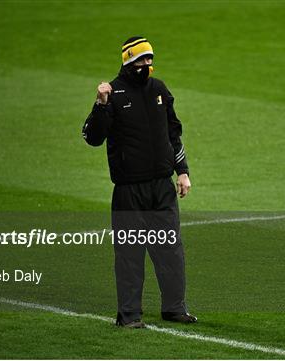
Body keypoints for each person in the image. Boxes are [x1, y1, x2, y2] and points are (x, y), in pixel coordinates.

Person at [82, 36, 197, 328]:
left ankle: (174, 307)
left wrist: (182, 171)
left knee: (170, 249)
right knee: (130, 254)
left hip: (161, 187)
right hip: (129, 190)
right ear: (128, 62)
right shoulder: (114, 93)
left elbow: (174, 135)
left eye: (149, 59)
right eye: (141, 60)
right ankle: (129, 315)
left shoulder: (159, 90)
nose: (147, 64)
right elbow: (92, 138)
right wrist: (100, 104)